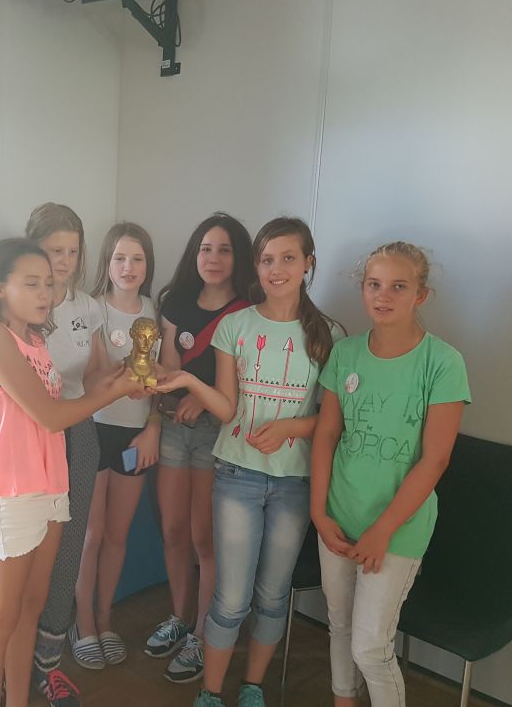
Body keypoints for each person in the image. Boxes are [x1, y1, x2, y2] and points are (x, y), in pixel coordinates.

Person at [155, 217, 341, 707]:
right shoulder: (235, 326)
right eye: (267, 260)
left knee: (273, 596)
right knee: (232, 598)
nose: (276, 269)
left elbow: (331, 420)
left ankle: (253, 686)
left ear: (308, 264)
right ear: (255, 266)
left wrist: (289, 428)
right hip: (236, 475)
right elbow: (226, 409)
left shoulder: (328, 334)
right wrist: (188, 382)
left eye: (288, 258)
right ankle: (210, 693)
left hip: (294, 483)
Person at [0, 238, 142, 707]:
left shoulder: (35, 339)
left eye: (48, 283)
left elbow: (63, 401)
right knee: (0, 616)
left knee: (29, 608)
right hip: (9, 493)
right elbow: (50, 416)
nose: (45, 293)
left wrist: (122, 376)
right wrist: (116, 391)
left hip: (49, 485)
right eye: (31, 284)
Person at [310, 241, 470, 707]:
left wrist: (382, 530)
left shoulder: (442, 362)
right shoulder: (346, 354)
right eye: (374, 285)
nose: (383, 295)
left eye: (398, 286)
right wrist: (319, 512)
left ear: (421, 295)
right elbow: (326, 435)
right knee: (340, 625)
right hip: (338, 517)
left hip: (397, 528)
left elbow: (435, 459)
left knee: (371, 648)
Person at [145, 213, 255, 684]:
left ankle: (203, 634)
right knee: (172, 529)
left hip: (217, 432)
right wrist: (167, 389)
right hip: (175, 427)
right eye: (206, 248)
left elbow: (244, 384)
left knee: (203, 537)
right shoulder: (175, 301)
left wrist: (198, 395)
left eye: (224, 250)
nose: (213, 258)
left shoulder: (248, 310)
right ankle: (179, 616)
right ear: (195, 253)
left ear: (238, 257)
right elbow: (170, 367)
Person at [24, 203, 108, 707]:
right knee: (24, 551)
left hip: (78, 432)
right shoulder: (18, 304)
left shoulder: (87, 307)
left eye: (72, 251)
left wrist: (133, 378)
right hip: (27, 437)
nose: (63, 261)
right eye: (54, 250)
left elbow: (95, 374)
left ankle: (48, 664)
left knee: (69, 547)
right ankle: (13, 662)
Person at [72, 223, 160, 670]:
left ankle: (105, 618)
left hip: (134, 436)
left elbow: (163, 377)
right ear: (106, 262)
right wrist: (121, 379)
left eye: (137, 259)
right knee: (91, 535)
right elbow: (89, 379)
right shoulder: (92, 309)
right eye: (120, 258)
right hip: (94, 432)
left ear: (148, 265)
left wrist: (153, 427)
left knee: (117, 535)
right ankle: (83, 622)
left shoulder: (154, 312)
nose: (128, 267)